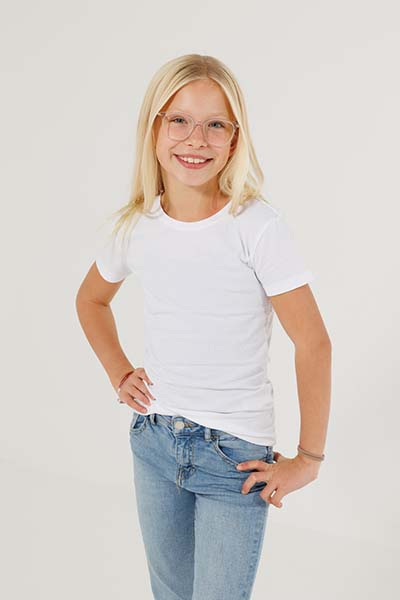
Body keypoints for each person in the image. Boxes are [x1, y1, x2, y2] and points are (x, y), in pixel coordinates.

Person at [75, 53, 332, 600]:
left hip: (233, 457)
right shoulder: (136, 226)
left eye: (216, 124)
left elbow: (313, 342)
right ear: (154, 128)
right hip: (154, 439)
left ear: (235, 139)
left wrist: (308, 460)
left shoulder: (256, 227)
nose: (196, 139)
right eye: (179, 120)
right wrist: (119, 371)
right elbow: (91, 300)